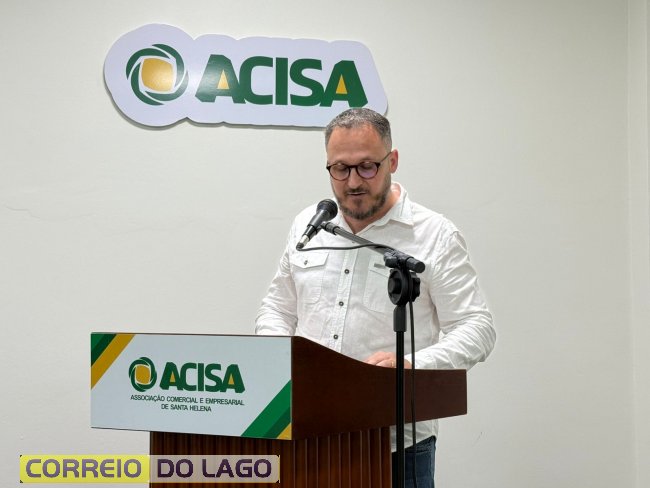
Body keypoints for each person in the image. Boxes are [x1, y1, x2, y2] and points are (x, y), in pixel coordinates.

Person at [255, 107, 496, 487]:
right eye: (340, 168)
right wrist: (276, 356)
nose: (353, 182)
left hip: (397, 446)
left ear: (392, 161)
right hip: (309, 433)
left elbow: (477, 327)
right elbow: (277, 308)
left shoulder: (434, 234)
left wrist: (411, 365)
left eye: (367, 167)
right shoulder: (309, 225)